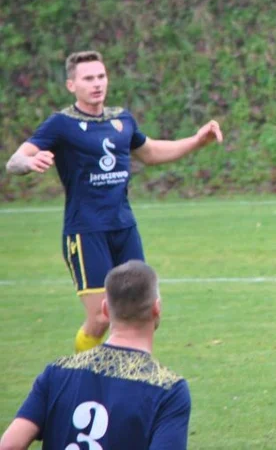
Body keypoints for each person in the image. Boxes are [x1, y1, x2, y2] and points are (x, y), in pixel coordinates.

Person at [5, 50, 223, 353]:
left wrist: (196, 141)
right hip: (86, 231)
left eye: (101, 76)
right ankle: (85, 376)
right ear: (72, 85)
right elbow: (14, 161)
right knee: (100, 318)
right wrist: (28, 163)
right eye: (88, 78)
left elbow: (151, 152)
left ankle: (130, 375)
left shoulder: (121, 119)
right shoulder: (61, 124)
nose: (97, 84)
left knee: (146, 311)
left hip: (124, 227)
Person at [0, 260, 191, 450]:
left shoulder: (57, 373)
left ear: (106, 310)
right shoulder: (167, 389)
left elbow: (9, 444)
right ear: (156, 309)